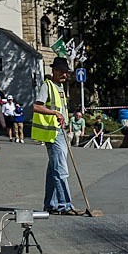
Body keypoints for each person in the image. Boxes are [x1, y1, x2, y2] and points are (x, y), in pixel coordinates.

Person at [32, 56, 79, 215]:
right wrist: (55, 113)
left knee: (54, 169)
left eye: (66, 72)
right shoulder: (48, 85)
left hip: (61, 131)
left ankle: (50, 205)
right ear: (54, 70)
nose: (64, 74)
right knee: (61, 170)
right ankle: (65, 205)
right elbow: (37, 107)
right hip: (53, 133)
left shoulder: (60, 88)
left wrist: (66, 122)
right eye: (61, 71)